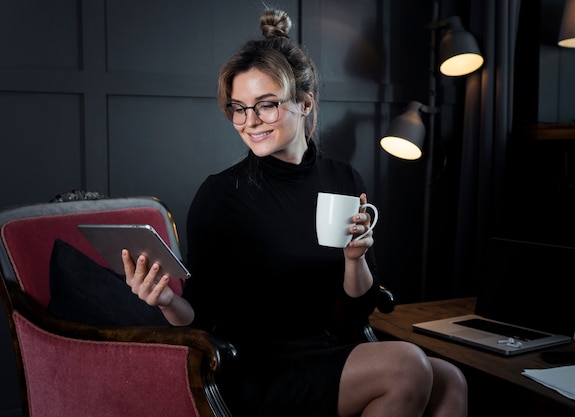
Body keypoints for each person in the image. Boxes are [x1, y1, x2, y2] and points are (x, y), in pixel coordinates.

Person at [122, 7, 467, 417]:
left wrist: (354, 260)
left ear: (304, 103)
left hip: (329, 350)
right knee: (407, 365)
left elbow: (360, 308)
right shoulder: (220, 194)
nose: (250, 122)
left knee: (450, 380)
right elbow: (199, 317)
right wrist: (164, 301)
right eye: (238, 108)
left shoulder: (343, 178)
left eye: (266, 105)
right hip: (257, 367)